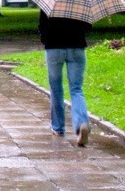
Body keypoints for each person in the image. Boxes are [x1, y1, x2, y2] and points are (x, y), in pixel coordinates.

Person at [38, 10, 92, 146]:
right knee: (76, 89)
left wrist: (45, 39)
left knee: (56, 88)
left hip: (54, 48)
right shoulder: (80, 2)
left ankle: (58, 128)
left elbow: (42, 26)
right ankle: (81, 123)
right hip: (77, 47)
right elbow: (88, 26)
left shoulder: (50, 2)